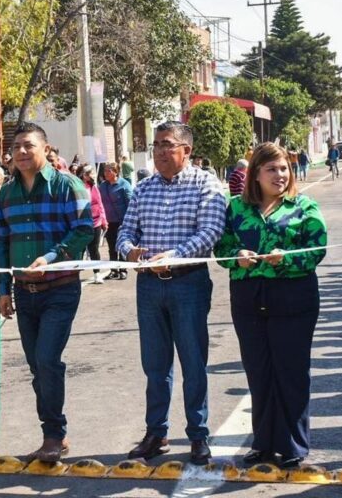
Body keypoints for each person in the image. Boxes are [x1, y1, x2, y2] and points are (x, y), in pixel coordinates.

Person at [117, 121, 227, 466]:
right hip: (149, 286)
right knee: (155, 365)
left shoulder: (205, 184)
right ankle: (156, 433)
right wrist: (130, 251)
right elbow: (124, 231)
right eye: (156, 145)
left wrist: (174, 256)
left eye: (167, 144)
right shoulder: (144, 188)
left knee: (193, 363)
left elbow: (211, 231)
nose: (161, 151)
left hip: (188, 282)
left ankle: (198, 435)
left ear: (186, 150)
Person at [215, 143, 327, 469]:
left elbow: (317, 249)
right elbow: (221, 244)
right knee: (259, 372)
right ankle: (263, 442)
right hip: (249, 297)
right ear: (255, 174)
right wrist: (237, 256)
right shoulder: (235, 208)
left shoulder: (304, 206)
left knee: (291, 372)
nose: (279, 175)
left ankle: (293, 444)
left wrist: (286, 259)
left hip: (294, 297)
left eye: (283, 168)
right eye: (271, 169)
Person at [0, 122, 94, 463]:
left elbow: (84, 229)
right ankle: (53, 431)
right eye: (17, 146)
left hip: (60, 289)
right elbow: (1, 241)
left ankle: (54, 433)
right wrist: (3, 289)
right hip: (24, 292)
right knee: (37, 365)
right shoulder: (6, 194)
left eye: (28, 146)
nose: (21, 152)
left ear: (46, 149)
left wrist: (51, 257)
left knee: (48, 359)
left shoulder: (69, 186)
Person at [99, 161, 133, 280]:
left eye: (109, 170)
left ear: (116, 172)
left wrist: (129, 221)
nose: (106, 173)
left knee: (122, 245)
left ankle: (123, 270)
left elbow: (130, 203)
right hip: (109, 222)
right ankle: (113, 270)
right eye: (105, 170)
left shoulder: (124, 185)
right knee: (112, 247)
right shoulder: (103, 186)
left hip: (122, 221)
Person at [80, 164, 108, 284]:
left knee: (94, 249)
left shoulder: (94, 187)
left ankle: (97, 273)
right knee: (79, 249)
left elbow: (100, 203)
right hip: (81, 222)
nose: (93, 176)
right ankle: (75, 274)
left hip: (95, 222)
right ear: (84, 175)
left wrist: (104, 220)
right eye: (90, 173)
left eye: (93, 173)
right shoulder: (78, 186)